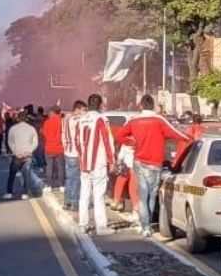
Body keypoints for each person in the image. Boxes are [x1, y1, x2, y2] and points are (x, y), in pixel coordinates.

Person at [115, 95, 190, 237]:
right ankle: (147, 223)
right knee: (152, 195)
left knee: (142, 195)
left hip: (138, 161)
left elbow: (119, 136)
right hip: (155, 163)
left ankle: (145, 227)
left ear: (141, 106)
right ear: (153, 106)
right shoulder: (159, 120)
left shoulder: (134, 121)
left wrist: (131, 142)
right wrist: (191, 139)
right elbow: (177, 134)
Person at [75, 94, 116, 235]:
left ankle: (82, 225)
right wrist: (111, 160)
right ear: (100, 105)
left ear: (87, 104)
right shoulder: (101, 119)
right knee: (98, 195)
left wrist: (82, 157)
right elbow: (107, 140)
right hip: (98, 162)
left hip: (84, 162)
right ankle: (101, 227)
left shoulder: (81, 120)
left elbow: (77, 142)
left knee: (84, 194)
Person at [3, 111, 43, 200]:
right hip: (27, 154)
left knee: (12, 174)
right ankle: (25, 193)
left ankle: (9, 192)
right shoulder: (31, 128)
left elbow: (10, 142)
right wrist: (29, 151)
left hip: (17, 154)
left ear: (18, 118)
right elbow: (35, 142)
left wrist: (16, 151)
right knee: (27, 174)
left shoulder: (13, 128)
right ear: (26, 119)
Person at [62, 100, 86, 211]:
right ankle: (74, 203)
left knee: (69, 178)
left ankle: (67, 201)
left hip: (67, 152)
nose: (85, 112)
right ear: (77, 110)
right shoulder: (79, 121)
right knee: (77, 179)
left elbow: (63, 135)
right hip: (76, 153)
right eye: (83, 110)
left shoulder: (65, 119)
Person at [41, 105, 65, 193]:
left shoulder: (47, 122)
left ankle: (48, 185)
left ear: (53, 112)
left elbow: (44, 133)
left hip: (49, 147)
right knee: (61, 167)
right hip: (59, 147)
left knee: (49, 166)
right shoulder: (62, 121)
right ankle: (62, 185)